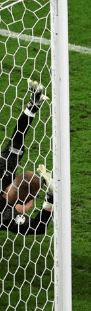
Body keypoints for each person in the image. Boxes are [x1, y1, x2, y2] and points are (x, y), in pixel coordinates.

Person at [0, 80, 53, 235]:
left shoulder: (4, 169)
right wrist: (51, 196)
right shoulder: (7, 217)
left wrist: (32, 105)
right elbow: (39, 227)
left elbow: (17, 137)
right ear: (25, 203)